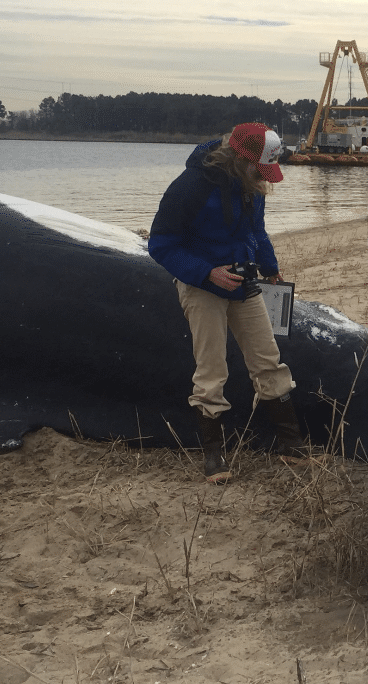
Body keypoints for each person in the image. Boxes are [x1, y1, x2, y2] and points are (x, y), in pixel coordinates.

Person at [149, 122, 305, 484]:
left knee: (269, 361)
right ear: (239, 158)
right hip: (201, 286)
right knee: (211, 370)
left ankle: (292, 447)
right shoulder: (190, 186)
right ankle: (214, 457)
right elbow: (160, 244)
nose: (264, 178)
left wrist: (270, 268)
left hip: (244, 284)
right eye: (260, 170)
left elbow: (256, 231)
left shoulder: (253, 186)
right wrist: (207, 274)